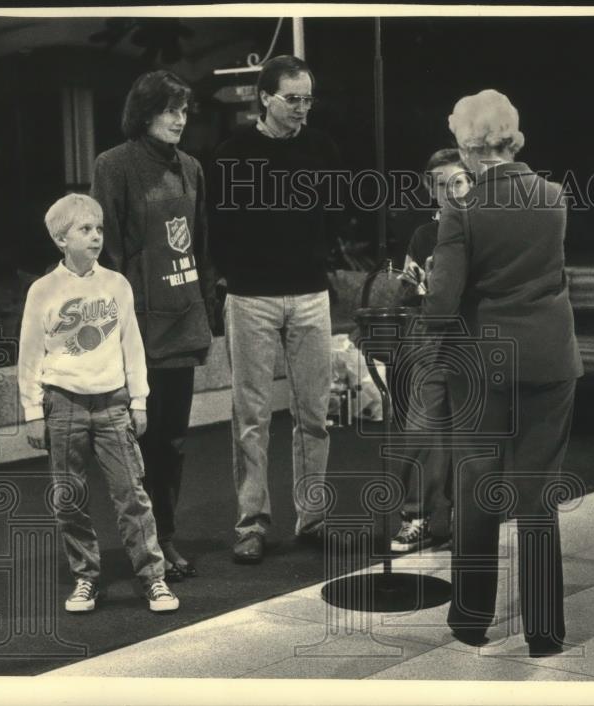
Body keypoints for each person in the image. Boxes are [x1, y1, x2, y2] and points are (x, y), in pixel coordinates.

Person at [423, 90, 583, 657]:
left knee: (477, 488)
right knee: (538, 497)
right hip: (549, 360)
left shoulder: (461, 209)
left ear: (467, 147)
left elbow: (442, 303)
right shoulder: (554, 196)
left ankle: (471, 619)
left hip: (483, 365)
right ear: (512, 137)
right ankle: (544, 630)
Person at [209, 55, 343, 563]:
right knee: (251, 416)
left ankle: (313, 518)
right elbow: (217, 225)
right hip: (251, 296)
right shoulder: (232, 153)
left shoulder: (322, 148)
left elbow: (334, 214)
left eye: (308, 99)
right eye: (293, 99)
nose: (302, 109)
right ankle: (252, 522)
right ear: (265, 97)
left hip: (310, 292)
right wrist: (232, 275)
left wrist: (317, 259)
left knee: (315, 414)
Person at [18, 193, 179, 614]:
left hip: (112, 404)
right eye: (84, 230)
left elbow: (132, 345)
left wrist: (139, 400)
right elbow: (31, 354)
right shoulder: (43, 291)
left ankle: (153, 578)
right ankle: (85, 576)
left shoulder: (116, 284)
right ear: (60, 239)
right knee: (69, 497)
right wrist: (33, 411)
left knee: (131, 494)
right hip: (63, 403)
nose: (94, 237)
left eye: (99, 229)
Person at [92, 70, 214, 582]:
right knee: (135, 443)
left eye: (184, 111)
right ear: (144, 114)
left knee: (172, 442)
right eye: (169, 110)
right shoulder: (114, 165)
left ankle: (164, 535)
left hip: (183, 323)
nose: (178, 119)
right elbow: (106, 249)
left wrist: (205, 307)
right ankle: (143, 543)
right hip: (137, 329)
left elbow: (201, 245)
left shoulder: (192, 168)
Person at [391, 148, 472, 553]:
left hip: (472, 337)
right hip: (432, 339)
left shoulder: (482, 226)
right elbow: (409, 294)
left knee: (471, 429)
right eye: (439, 184)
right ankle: (417, 515)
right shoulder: (424, 234)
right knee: (422, 427)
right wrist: (413, 285)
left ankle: (465, 513)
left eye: (456, 181)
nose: (448, 191)